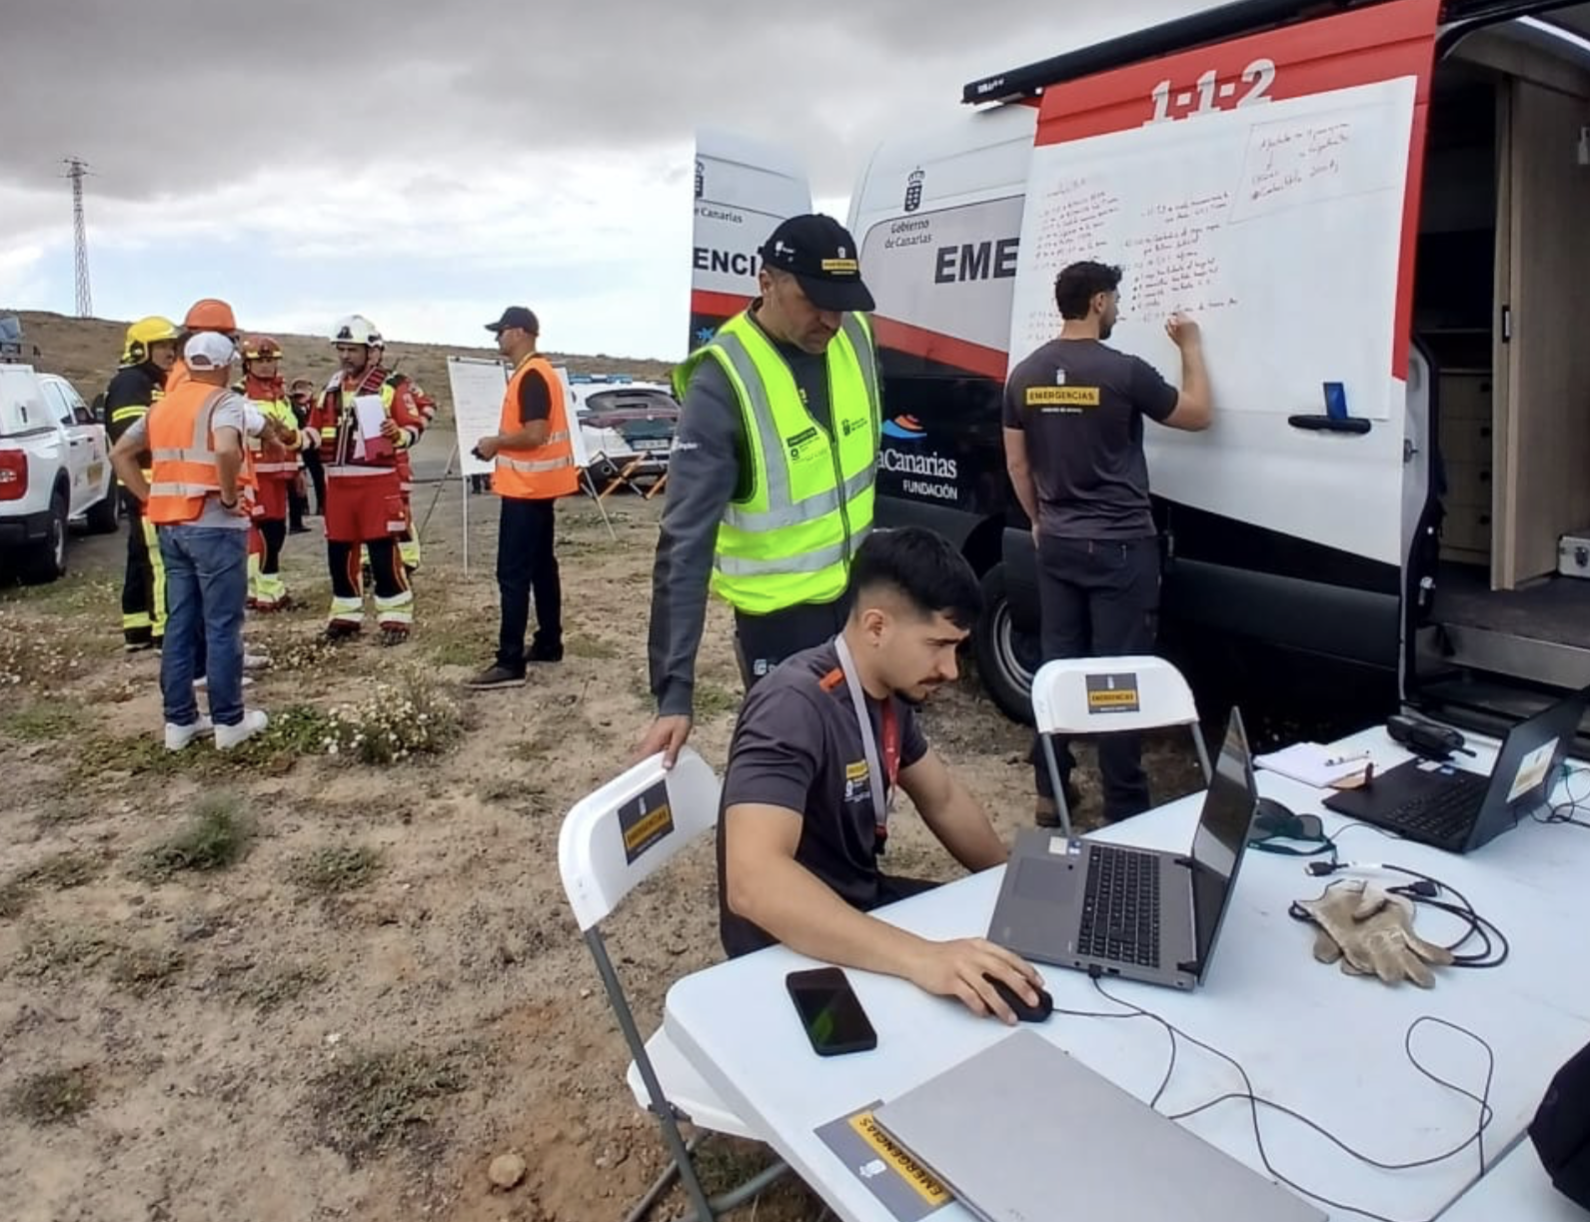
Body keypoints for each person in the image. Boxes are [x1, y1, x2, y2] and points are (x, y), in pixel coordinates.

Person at [717, 527, 1043, 1022]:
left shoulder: (884, 693)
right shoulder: (791, 706)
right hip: (786, 949)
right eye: (938, 644)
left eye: (956, 648)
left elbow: (945, 799)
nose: (952, 670)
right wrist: (922, 958)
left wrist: (1012, 887)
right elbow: (753, 883)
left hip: (861, 905)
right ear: (875, 627)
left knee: (1016, 960)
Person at [639, 213, 882, 768]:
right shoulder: (723, 379)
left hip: (861, 597)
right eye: (812, 298)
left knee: (865, 760)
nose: (831, 318)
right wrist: (675, 693)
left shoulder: (857, 337)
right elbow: (684, 544)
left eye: (842, 301)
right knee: (794, 767)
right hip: (782, 623)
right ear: (765, 281)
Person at [1002, 261, 1211, 826]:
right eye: (1115, 300)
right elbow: (1197, 415)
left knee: (1058, 668)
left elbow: (1017, 463)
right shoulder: (1123, 372)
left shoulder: (1025, 373)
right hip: (1120, 547)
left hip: (1060, 543)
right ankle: (1126, 807)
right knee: (1120, 680)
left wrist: (1040, 520)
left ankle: (1051, 791)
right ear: (1097, 302)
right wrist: (1190, 345)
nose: (1117, 309)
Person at [110, 333, 268, 751]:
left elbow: (120, 454)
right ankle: (229, 722)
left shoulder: (162, 406)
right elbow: (228, 450)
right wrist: (231, 495)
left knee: (180, 624)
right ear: (223, 365)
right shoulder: (224, 401)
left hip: (171, 526)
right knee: (221, 626)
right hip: (215, 524)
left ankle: (179, 723)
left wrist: (149, 499)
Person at [465, 307, 579, 690]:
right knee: (542, 568)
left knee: (512, 575)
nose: (496, 338)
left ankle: (509, 661)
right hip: (538, 490)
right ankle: (549, 642)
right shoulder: (537, 373)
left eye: (500, 331)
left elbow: (535, 435)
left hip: (526, 492)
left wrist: (495, 443)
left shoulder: (531, 375)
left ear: (519, 332)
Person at [302, 314, 430, 644]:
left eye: (352, 350)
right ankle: (345, 615)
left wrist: (399, 434)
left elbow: (415, 424)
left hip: (378, 481)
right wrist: (296, 439)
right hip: (339, 483)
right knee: (339, 551)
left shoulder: (392, 386)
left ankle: (395, 617)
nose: (345, 356)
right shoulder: (329, 388)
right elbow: (316, 430)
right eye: (341, 349)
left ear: (371, 352)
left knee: (382, 550)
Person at [103, 315, 179, 650]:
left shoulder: (152, 381)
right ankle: (166, 630)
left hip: (149, 484)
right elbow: (131, 438)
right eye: (161, 345)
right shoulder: (132, 383)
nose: (169, 351)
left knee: (141, 556)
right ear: (139, 349)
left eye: (172, 345)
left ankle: (137, 627)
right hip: (147, 485)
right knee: (160, 559)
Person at [237, 336, 300, 610]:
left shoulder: (280, 394)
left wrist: (298, 471)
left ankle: (258, 590)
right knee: (264, 533)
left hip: (280, 474)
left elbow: (291, 432)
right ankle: (268, 592)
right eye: (259, 361)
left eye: (270, 361)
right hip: (255, 474)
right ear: (247, 364)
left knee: (276, 531)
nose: (265, 366)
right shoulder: (239, 394)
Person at [289, 377, 325, 518]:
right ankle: (303, 507)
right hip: (299, 446)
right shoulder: (290, 406)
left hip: (314, 447)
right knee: (300, 477)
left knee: (318, 476)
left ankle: (322, 505)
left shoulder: (316, 405)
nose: (300, 398)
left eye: (303, 393)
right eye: (298, 394)